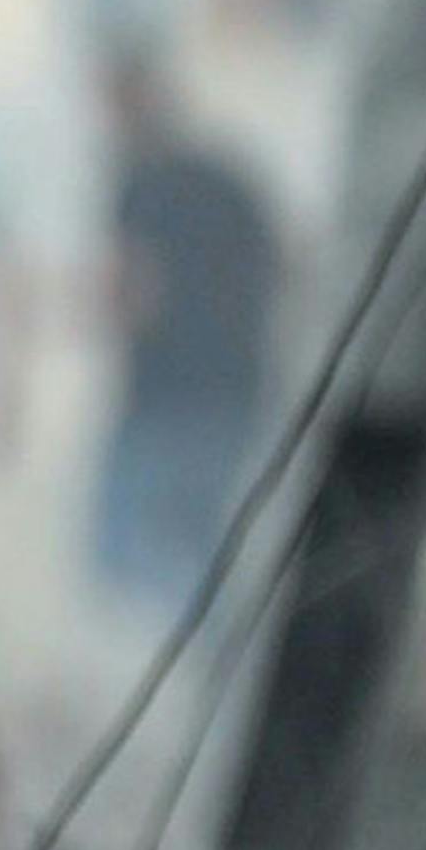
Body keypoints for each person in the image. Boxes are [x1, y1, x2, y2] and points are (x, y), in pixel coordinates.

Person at [91, 50, 283, 599]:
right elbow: (287, 264)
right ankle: (214, 658)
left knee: (130, 552)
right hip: (238, 390)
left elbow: (135, 294)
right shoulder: (228, 175)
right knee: (202, 546)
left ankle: (192, 663)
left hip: (165, 399)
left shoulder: (140, 186)